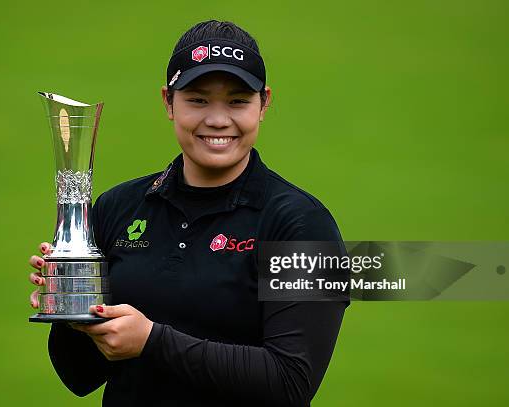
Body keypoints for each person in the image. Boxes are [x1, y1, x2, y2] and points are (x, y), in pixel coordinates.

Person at [28, 20, 349, 407]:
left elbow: (290, 384)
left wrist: (151, 341)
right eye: (197, 99)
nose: (217, 119)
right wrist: (72, 308)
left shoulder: (302, 224)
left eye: (237, 100)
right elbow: (78, 376)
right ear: (168, 102)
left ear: (264, 104)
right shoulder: (118, 208)